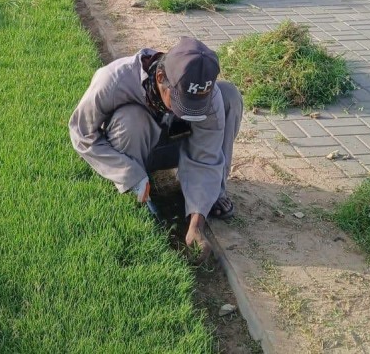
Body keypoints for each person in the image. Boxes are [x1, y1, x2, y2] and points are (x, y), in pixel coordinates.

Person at [69, 37, 242, 259]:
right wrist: (129, 173)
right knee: (131, 119)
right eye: (182, 103)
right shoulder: (113, 79)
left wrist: (197, 223)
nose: (188, 113)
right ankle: (137, 191)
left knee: (228, 95)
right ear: (161, 78)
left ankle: (209, 195)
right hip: (138, 148)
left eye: (196, 106)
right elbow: (81, 134)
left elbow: (205, 156)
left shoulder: (210, 95)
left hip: (181, 147)